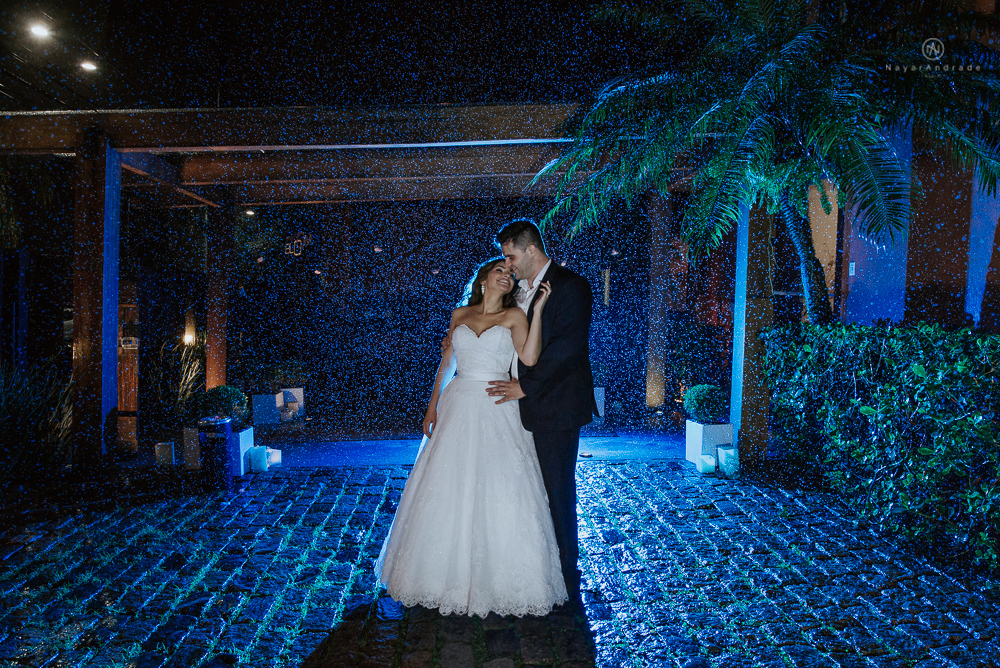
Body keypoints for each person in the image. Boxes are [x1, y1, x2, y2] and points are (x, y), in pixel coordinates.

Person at [375, 257, 568, 618]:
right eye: (500, 271)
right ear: (483, 280)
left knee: (500, 486)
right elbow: (446, 365)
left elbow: (529, 356)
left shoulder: (514, 318)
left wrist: (537, 309)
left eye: (511, 275)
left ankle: (503, 577)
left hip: (497, 405)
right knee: (447, 484)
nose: (507, 277)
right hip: (458, 403)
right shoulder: (459, 315)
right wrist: (431, 406)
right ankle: (436, 576)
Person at [486, 218, 596, 610]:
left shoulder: (572, 286)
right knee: (528, 491)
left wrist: (525, 386)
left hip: (555, 407)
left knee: (557, 489)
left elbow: (567, 350)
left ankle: (567, 571)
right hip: (517, 410)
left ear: (531, 250)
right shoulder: (518, 291)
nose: (508, 264)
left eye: (511, 255)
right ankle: (536, 560)